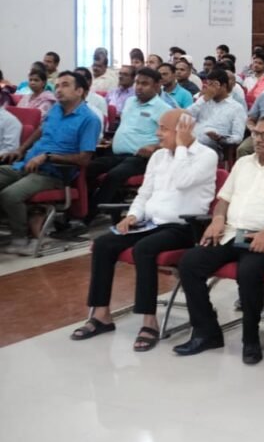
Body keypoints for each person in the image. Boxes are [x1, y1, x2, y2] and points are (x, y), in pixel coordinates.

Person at [71, 110, 217, 351]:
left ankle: (149, 321)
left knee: (144, 249)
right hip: (150, 223)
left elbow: (182, 181)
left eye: (163, 128)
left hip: (183, 227)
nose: (157, 133)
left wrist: (182, 146)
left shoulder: (206, 156)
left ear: (183, 129)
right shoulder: (158, 157)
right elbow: (144, 193)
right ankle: (101, 315)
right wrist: (132, 216)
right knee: (104, 244)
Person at [173, 115, 264, 364]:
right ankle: (206, 331)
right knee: (190, 263)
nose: (258, 140)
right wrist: (217, 219)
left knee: (248, 271)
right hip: (231, 233)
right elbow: (224, 199)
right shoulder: (243, 164)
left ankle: (251, 338)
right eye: (256, 134)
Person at [0, 72, 102, 255]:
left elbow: (84, 159)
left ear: (79, 91)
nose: (59, 90)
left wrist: (48, 157)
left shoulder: (89, 119)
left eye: (65, 85)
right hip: (26, 164)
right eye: (57, 86)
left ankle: (21, 239)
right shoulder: (55, 109)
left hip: (54, 174)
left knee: (10, 195)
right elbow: (40, 130)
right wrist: (20, 150)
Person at [85, 67, 170, 221]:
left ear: (157, 86)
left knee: (113, 176)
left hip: (140, 158)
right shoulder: (130, 101)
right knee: (88, 169)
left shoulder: (164, 109)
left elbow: (171, 140)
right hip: (116, 154)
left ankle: (89, 217)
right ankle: (83, 210)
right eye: (137, 83)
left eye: (145, 84)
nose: (139, 87)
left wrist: (154, 147)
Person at [187, 69, 247, 154]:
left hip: (213, 147)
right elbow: (185, 117)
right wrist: (203, 99)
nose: (209, 88)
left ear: (224, 86)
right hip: (190, 142)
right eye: (208, 84)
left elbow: (238, 137)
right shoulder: (203, 101)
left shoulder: (237, 108)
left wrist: (220, 138)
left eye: (213, 85)